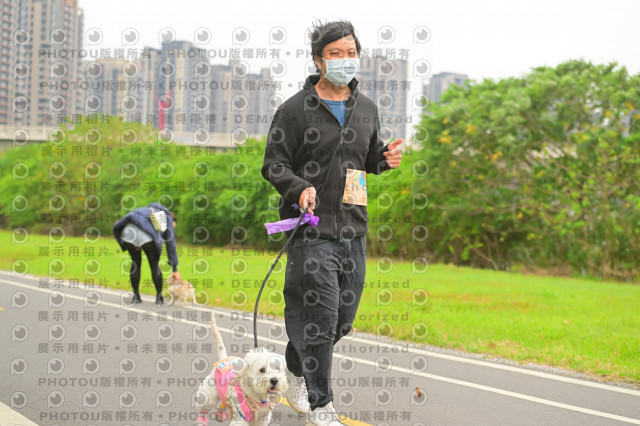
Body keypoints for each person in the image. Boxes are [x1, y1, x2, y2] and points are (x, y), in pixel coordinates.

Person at [261, 20, 403, 426]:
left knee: (341, 321)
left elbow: (366, 159)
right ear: (319, 60)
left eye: (350, 52)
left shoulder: (367, 108)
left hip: (353, 229)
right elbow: (274, 165)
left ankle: (295, 365)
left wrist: (384, 160)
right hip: (310, 230)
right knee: (320, 319)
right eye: (335, 53)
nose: (345, 59)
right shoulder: (293, 110)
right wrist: (299, 188)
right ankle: (321, 405)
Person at [113, 202, 181, 305]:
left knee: (135, 263)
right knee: (154, 265)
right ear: (173, 220)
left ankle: (136, 297)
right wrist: (175, 269)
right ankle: (159, 298)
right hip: (146, 236)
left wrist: (123, 244)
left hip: (128, 234)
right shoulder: (167, 217)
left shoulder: (144, 209)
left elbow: (119, 224)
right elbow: (171, 244)